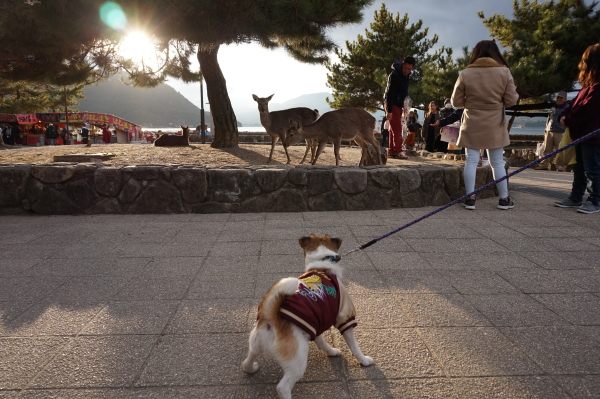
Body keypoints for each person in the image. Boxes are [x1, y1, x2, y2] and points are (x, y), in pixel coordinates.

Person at [451, 40, 519, 210]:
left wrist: (471, 102)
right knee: (497, 162)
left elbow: (455, 101)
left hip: (472, 120)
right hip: (495, 121)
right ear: (495, 53)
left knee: (471, 161)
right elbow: (511, 100)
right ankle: (504, 199)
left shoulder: (466, 73)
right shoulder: (504, 71)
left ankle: (470, 199)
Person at [554, 43, 600, 214]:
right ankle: (575, 197)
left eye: (585, 60)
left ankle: (594, 200)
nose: (581, 64)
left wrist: (569, 119)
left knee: (592, 170)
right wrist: (563, 116)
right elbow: (573, 105)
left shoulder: (598, 86)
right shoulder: (588, 85)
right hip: (580, 134)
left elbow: (587, 109)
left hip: (592, 136)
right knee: (579, 167)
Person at [384, 56, 416, 159]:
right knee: (397, 128)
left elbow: (404, 92)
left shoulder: (407, 76)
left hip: (399, 104)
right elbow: (390, 93)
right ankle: (398, 150)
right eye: (405, 68)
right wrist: (389, 110)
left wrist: (405, 105)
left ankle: (392, 150)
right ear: (403, 64)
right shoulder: (394, 75)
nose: (406, 71)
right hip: (391, 103)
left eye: (409, 69)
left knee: (394, 128)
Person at [533, 91, 570, 171]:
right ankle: (544, 165)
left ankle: (560, 166)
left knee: (560, 149)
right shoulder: (553, 107)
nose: (559, 99)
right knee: (546, 149)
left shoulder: (567, 108)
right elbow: (549, 118)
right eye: (558, 97)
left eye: (561, 98)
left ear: (565, 99)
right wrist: (546, 129)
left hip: (560, 131)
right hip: (549, 130)